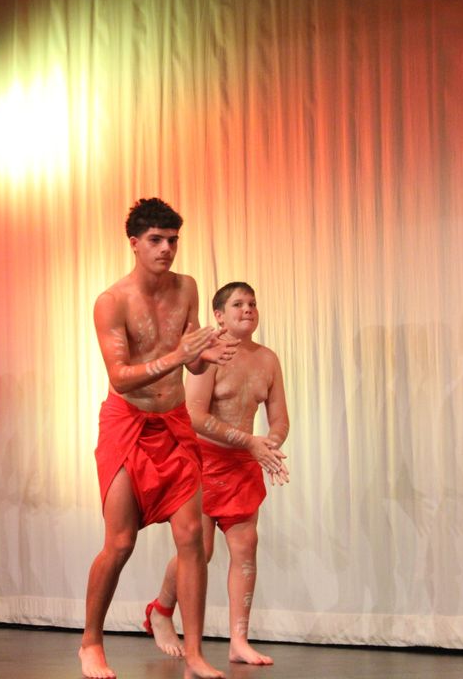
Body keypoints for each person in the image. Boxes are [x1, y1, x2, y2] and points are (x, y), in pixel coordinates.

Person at [78, 198, 237, 679]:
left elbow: (192, 362)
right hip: (127, 424)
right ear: (134, 243)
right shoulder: (112, 301)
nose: (166, 248)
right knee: (120, 542)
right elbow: (120, 376)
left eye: (172, 240)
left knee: (193, 538)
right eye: (156, 240)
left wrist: (207, 355)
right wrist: (179, 356)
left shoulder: (187, 287)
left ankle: (195, 653)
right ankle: (91, 642)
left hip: (173, 423)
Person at [147, 282, 289, 666]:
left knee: (246, 546)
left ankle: (238, 641)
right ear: (219, 316)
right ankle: (160, 610)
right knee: (201, 549)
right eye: (238, 304)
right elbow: (194, 414)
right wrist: (250, 442)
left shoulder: (268, 359)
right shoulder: (209, 355)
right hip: (203, 460)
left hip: (243, 463)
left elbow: (280, 419)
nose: (248, 309)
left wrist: (270, 446)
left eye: (252, 303)